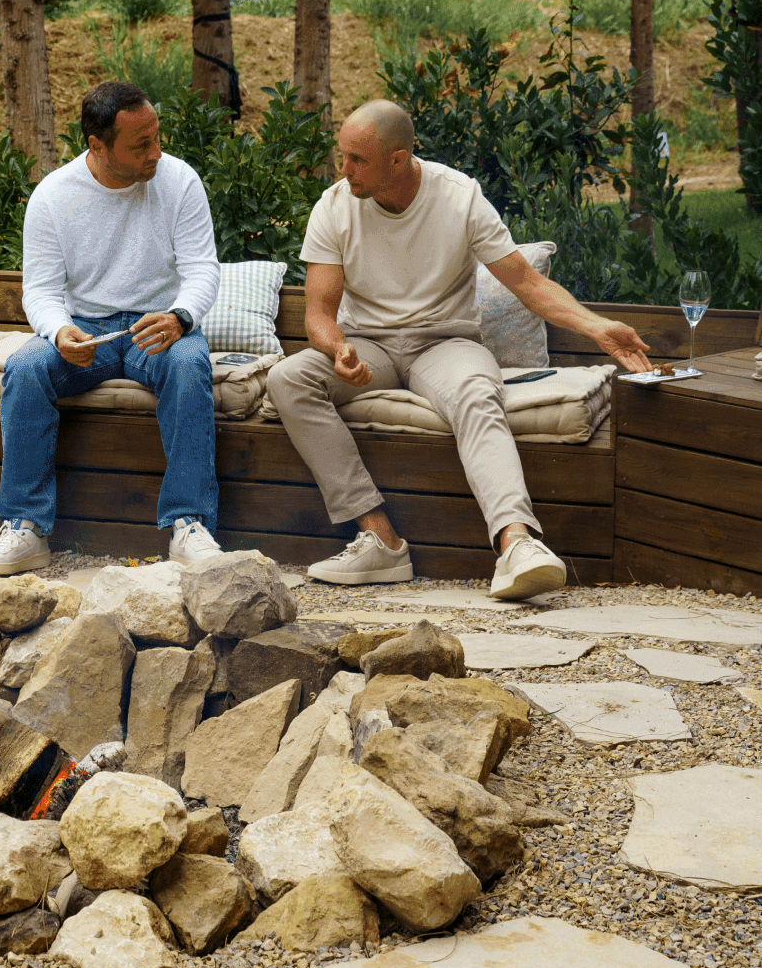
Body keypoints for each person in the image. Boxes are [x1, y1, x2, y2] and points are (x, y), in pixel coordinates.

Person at [265, 100, 652, 600]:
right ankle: (380, 540)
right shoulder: (334, 206)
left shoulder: (459, 197)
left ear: (398, 160)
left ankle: (517, 545)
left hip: (444, 344)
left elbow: (527, 283)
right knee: (287, 379)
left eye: (357, 159)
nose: (345, 169)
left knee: (476, 392)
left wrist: (596, 327)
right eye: (343, 155)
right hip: (368, 347)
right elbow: (318, 312)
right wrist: (338, 347)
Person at [0, 80, 226, 576]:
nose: (157, 152)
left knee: (189, 363)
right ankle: (25, 527)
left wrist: (180, 317)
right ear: (98, 146)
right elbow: (41, 290)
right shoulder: (53, 196)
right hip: (88, 329)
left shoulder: (179, 180)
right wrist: (58, 331)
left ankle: (189, 524)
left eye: (157, 137)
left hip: (159, 326)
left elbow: (202, 269)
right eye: (141, 145)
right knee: (25, 366)